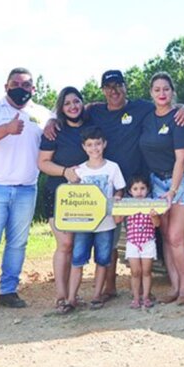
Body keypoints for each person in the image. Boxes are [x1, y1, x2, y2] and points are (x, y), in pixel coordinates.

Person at [49, 69, 184, 298]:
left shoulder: (141, 107)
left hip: (139, 186)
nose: (114, 90)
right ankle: (109, 287)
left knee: (145, 232)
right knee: (111, 237)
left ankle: (148, 289)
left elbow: (167, 103)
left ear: (126, 87)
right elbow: (69, 114)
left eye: (118, 85)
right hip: (108, 186)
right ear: (103, 90)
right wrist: (51, 121)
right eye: (109, 87)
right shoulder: (94, 112)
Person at [0, 67, 51, 315]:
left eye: (26, 85)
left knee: (17, 244)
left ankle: (8, 291)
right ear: (6, 86)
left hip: (26, 189)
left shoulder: (41, 114)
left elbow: (57, 132)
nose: (20, 88)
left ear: (33, 89)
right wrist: (6, 129)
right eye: (15, 83)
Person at [138, 71, 184, 305]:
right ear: (151, 93)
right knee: (165, 235)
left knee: (176, 235)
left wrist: (173, 191)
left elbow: (181, 159)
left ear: (172, 92)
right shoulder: (146, 117)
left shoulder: (180, 118)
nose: (162, 93)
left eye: (166, 89)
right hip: (158, 181)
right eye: (157, 90)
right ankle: (174, 286)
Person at [37, 86, 89, 309]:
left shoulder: (92, 126)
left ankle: (73, 295)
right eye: (67, 103)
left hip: (85, 196)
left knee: (78, 246)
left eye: (76, 101)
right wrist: (65, 171)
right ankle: (60, 294)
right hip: (58, 193)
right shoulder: (53, 131)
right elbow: (43, 163)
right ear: (61, 107)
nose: (72, 107)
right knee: (65, 244)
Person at [64, 126, 125, 314]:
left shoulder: (112, 167)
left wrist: (118, 196)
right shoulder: (79, 171)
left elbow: (120, 189)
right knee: (77, 259)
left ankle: (97, 294)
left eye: (97, 144)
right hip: (83, 223)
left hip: (105, 222)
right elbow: (70, 197)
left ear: (104, 144)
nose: (94, 148)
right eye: (89, 145)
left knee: (103, 259)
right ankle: (71, 297)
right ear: (84, 147)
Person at [114, 174, 161, 310]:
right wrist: (117, 208)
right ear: (130, 191)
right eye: (135, 189)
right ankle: (135, 298)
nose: (139, 192)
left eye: (142, 188)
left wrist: (154, 216)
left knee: (146, 271)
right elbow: (117, 220)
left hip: (148, 241)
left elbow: (157, 224)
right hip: (132, 242)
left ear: (147, 189)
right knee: (135, 272)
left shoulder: (151, 204)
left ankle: (146, 297)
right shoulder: (127, 206)